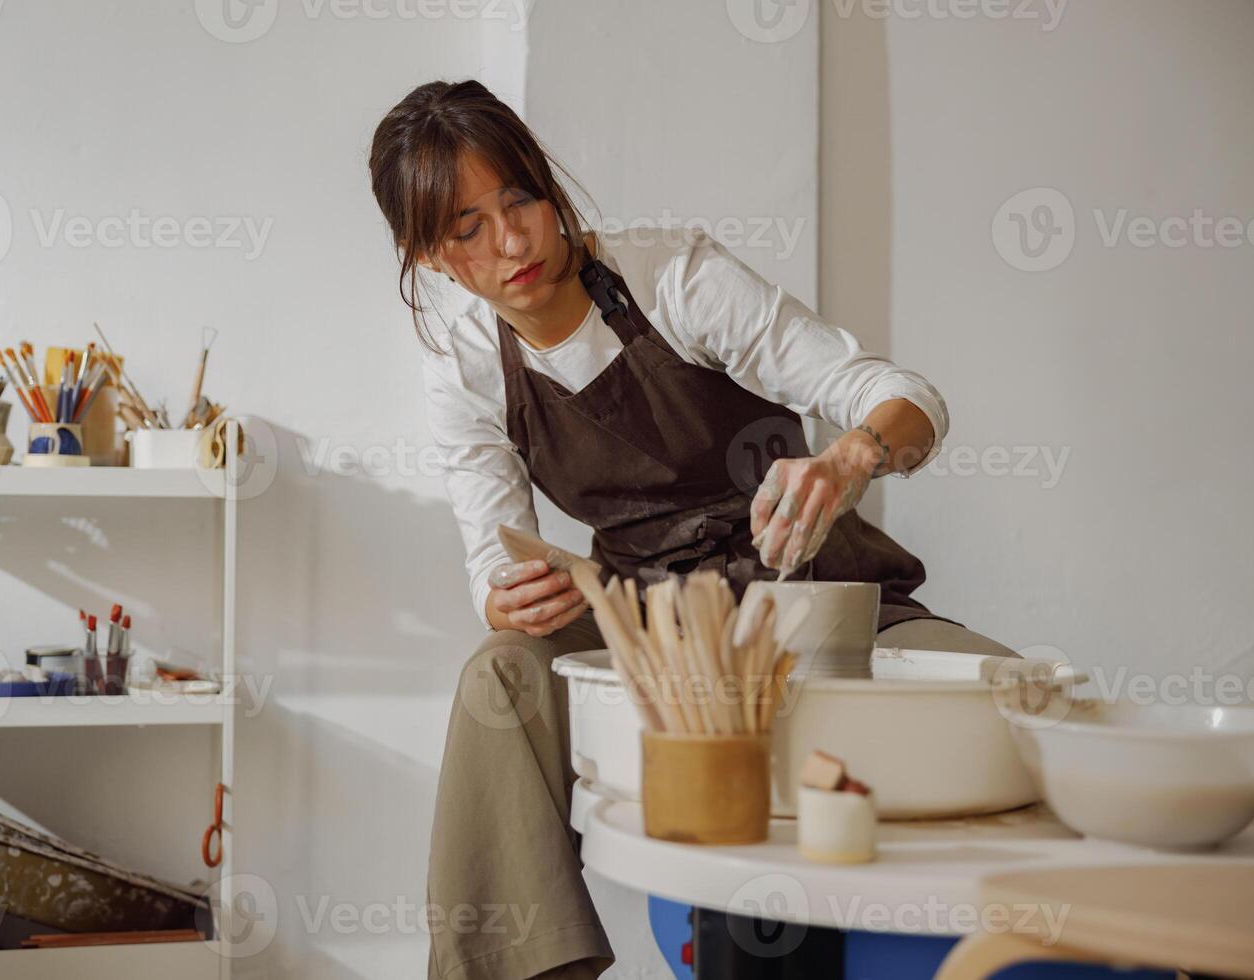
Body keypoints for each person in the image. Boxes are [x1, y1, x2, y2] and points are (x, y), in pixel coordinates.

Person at [369, 79, 1014, 980]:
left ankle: (1056, 939)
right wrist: (506, 593)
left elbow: (907, 400)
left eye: (518, 198)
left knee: (1018, 696)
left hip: (809, 594)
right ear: (429, 256)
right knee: (499, 676)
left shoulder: (673, 276)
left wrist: (848, 459)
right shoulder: (465, 370)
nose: (511, 241)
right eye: (467, 228)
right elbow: (490, 556)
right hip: (651, 623)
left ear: (547, 187)